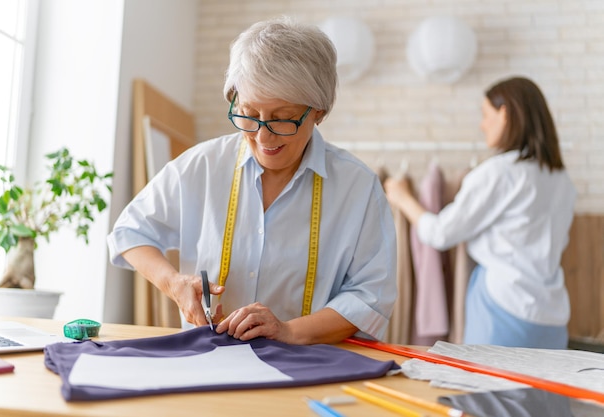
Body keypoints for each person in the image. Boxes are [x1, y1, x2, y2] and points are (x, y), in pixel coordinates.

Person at [107, 17, 397, 345]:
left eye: (281, 118)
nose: (261, 135)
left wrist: (288, 331)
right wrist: (174, 283)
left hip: (309, 369)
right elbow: (128, 233)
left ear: (318, 111)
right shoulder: (202, 165)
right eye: (248, 113)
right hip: (209, 362)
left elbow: (370, 296)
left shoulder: (358, 188)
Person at [385, 76, 576, 349]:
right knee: (544, 392)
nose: (482, 125)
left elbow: (440, 233)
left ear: (505, 114)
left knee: (486, 391)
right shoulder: (561, 179)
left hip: (504, 310)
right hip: (553, 316)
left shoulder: (499, 173)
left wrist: (402, 198)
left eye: (485, 115)